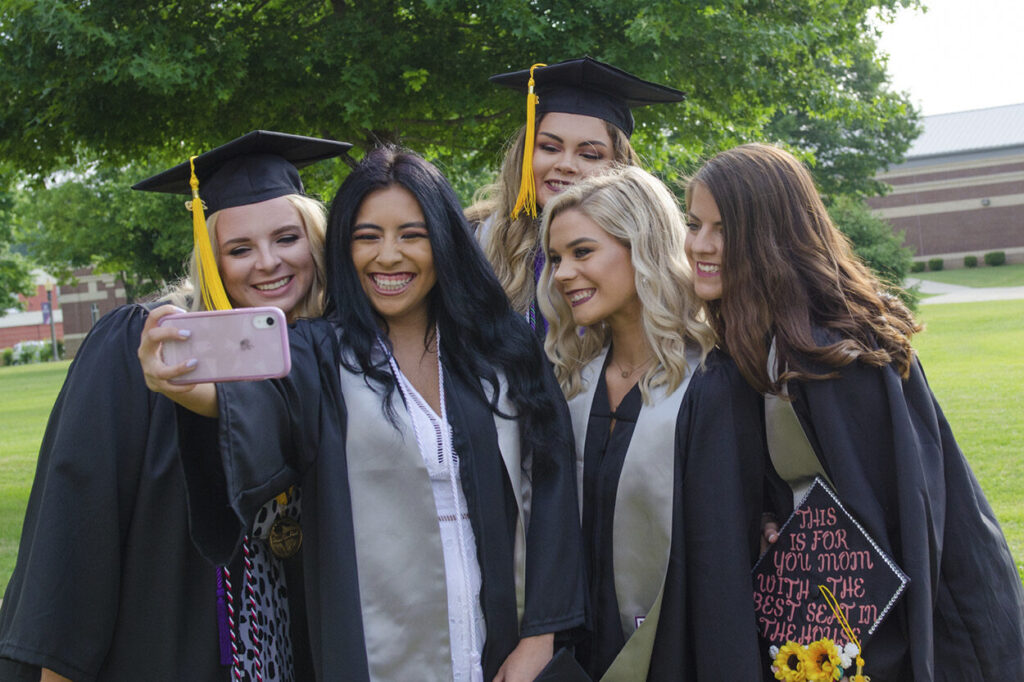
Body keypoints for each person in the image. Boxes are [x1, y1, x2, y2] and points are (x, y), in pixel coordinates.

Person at [142, 146, 586, 681]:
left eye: (411, 235)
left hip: (503, 646)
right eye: (367, 236)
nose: (389, 256)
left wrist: (539, 639)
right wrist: (192, 391)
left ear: (443, 241)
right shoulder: (319, 353)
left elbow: (554, 489)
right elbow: (262, 406)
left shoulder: (501, 350)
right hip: (377, 654)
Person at [0, 130, 349, 682]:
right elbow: (79, 506)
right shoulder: (142, 344)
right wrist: (59, 668)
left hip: (296, 641)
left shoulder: (341, 350)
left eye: (287, 238)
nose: (267, 263)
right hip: (164, 637)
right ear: (210, 259)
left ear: (318, 240)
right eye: (238, 249)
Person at [684, 142, 1024, 681]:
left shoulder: (835, 352)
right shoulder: (760, 342)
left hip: (892, 618)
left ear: (769, 236)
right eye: (694, 223)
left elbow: (898, 515)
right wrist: (775, 515)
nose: (700, 245)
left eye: (722, 228)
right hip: (832, 610)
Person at [537, 165, 766, 680]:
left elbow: (720, 568)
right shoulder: (573, 385)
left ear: (641, 246)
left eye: (582, 252)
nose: (561, 275)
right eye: (555, 258)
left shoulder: (710, 384)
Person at [466, 57, 682, 329]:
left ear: (619, 167)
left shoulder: (642, 257)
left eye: (589, 154)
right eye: (549, 148)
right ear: (526, 153)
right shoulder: (476, 240)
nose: (566, 165)